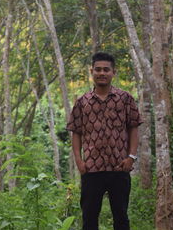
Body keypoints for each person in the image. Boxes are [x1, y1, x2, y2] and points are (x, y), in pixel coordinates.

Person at [67, 52, 142, 230]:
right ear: (92, 72)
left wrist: (131, 156)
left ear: (113, 72)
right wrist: (79, 160)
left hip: (120, 167)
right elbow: (76, 132)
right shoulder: (82, 102)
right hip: (91, 169)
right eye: (98, 69)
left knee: (121, 218)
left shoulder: (125, 99)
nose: (102, 73)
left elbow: (133, 127)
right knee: (90, 218)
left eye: (106, 70)